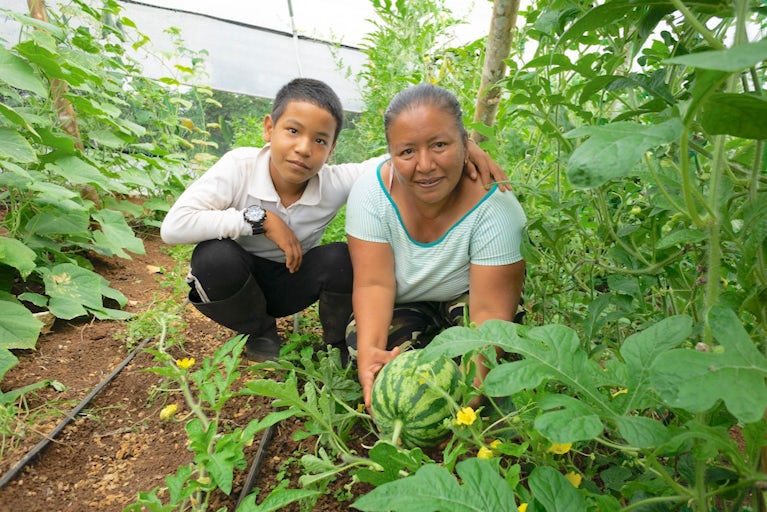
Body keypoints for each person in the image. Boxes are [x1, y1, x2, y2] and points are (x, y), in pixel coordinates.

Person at [160, 78, 507, 362]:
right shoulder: (239, 166)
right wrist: (259, 220)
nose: (304, 148)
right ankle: (259, 332)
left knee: (341, 257)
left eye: (320, 140)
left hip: (291, 280)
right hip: (239, 280)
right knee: (213, 258)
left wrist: (465, 149)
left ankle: (337, 344)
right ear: (269, 128)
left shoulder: (335, 181)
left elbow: (400, 156)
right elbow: (174, 226)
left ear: (332, 150)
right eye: (293, 131)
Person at [345, 83, 527, 408]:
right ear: (391, 153)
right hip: (403, 300)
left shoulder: (496, 206)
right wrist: (371, 357)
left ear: (466, 144)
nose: (425, 165)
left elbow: (489, 312)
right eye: (407, 152)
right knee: (364, 342)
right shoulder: (371, 193)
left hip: (467, 297)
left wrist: (464, 400)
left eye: (440, 144)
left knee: (506, 346)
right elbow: (374, 283)